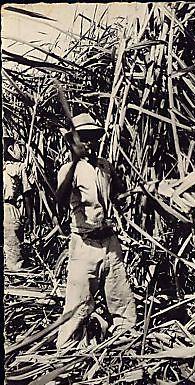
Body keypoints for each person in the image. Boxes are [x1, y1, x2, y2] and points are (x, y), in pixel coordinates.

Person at [56, 113, 137, 351]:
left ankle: (126, 344)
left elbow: (117, 195)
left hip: (110, 243)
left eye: (93, 138)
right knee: (78, 304)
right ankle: (68, 351)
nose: (90, 143)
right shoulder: (69, 169)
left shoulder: (104, 166)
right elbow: (59, 199)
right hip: (84, 244)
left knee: (120, 298)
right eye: (85, 138)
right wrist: (73, 161)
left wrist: (127, 195)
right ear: (73, 142)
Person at [3, 134, 33, 271]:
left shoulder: (19, 167)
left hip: (9, 209)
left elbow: (27, 192)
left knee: (13, 248)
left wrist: (29, 216)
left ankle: (15, 278)